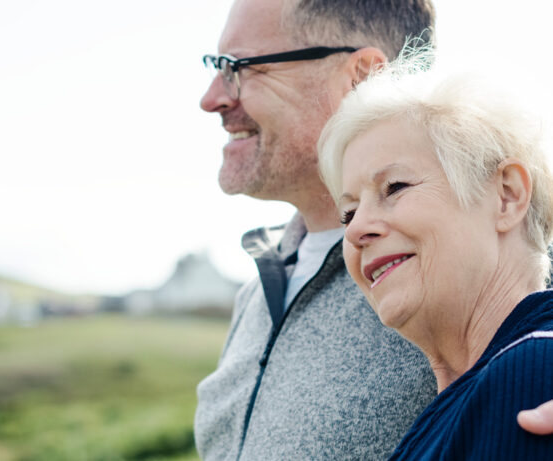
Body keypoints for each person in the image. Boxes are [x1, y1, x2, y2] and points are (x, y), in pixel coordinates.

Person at [196, 0, 438, 459]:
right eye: (216, 66)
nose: (212, 99)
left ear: (363, 78)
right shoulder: (260, 285)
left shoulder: (464, 264)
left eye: (239, 68)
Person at [318, 49, 553, 459]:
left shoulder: (531, 376)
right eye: (349, 212)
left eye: (394, 187)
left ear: (507, 196)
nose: (356, 229)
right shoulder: (474, 396)